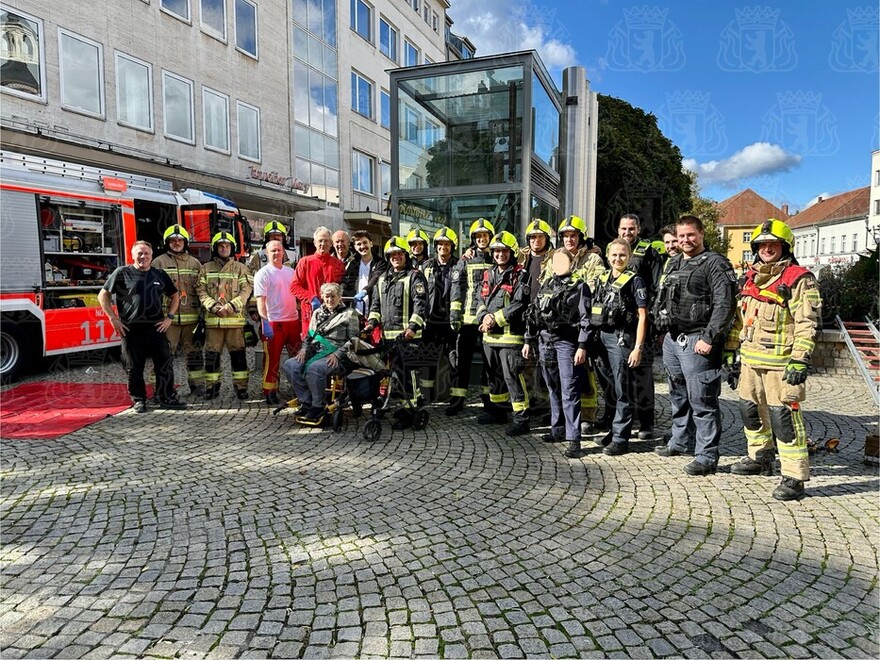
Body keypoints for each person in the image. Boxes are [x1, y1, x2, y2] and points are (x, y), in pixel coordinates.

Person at [729, 219, 821, 501]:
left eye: (773, 244)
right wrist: (731, 350)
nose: (767, 249)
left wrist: (800, 359)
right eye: (762, 245)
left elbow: (807, 322)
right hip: (750, 361)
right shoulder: (749, 279)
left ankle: (794, 476)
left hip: (781, 364)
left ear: (784, 247)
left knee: (784, 419)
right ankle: (760, 457)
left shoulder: (798, 279)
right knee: (750, 411)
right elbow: (739, 320)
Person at [653, 215, 737, 476]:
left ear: (701, 234)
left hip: (698, 339)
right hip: (673, 339)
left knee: (702, 399)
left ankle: (707, 456)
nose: (685, 240)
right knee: (677, 395)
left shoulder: (715, 263)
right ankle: (680, 441)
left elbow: (725, 304)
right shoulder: (674, 262)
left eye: (691, 235)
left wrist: (709, 337)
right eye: (681, 236)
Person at [98, 241, 186, 412]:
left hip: (156, 327)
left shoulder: (159, 274)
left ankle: (166, 396)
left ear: (151, 255)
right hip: (131, 329)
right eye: (139, 253)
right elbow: (103, 295)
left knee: (164, 364)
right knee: (133, 367)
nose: (143, 257)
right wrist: (113, 319)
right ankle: (139, 400)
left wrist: (169, 317)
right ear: (132, 255)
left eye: (146, 253)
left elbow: (175, 296)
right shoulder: (122, 273)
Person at [524, 249, 590, 457]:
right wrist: (528, 340)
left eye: (564, 261)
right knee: (552, 386)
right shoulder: (547, 285)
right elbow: (533, 314)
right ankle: (557, 429)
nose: (559, 265)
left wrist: (582, 346)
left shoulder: (580, 286)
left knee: (570, 389)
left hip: (567, 342)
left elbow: (586, 319)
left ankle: (573, 439)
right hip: (545, 341)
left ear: (572, 263)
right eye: (555, 261)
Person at [589, 239, 649, 456]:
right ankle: (613, 431)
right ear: (607, 256)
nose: (618, 259)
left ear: (630, 256)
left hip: (622, 339)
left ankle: (621, 438)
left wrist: (638, 348)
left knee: (623, 389)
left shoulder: (635, 281)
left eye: (622, 255)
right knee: (609, 388)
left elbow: (643, 316)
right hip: (602, 338)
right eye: (614, 255)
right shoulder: (603, 278)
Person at [476, 231, 532, 436]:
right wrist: (483, 317)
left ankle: (522, 419)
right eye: (496, 250)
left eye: (504, 251)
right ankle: (497, 412)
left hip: (510, 337)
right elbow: (479, 299)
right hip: (489, 337)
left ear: (512, 252)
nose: (500, 254)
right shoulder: (488, 273)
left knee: (513, 378)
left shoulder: (521, 274)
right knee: (494, 376)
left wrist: (494, 319)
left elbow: (519, 303)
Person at [282, 282, 361, 422]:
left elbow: (354, 340)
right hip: (314, 350)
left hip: (337, 353)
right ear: (322, 297)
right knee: (290, 365)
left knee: (315, 368)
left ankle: (317, 406)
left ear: (340, 297)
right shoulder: (317, 313)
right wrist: (303, 350)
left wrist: (337, 354)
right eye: (326, 296)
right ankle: (306, 401)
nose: (330, 300)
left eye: (333, 296)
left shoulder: (349, 314)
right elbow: (309, 336)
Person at [556, 215, 605, 434]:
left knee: (585, 371)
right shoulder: (557, 257)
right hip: (562, 324)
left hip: (584, 324)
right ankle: (563, 416)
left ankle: (588, 415)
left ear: (581, 237)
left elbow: (593, 288)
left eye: (573, 235)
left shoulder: (593, 260)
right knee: (564, 376)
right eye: (565, 236)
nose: (569, 240)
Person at [618, 212, 663, 439]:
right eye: (624, 229)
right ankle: (622, 417)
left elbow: (656, 287)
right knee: (619, 372)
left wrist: (652, 321)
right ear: (618, 230)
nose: (627, 233)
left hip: (642, 319)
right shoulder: (615, 250)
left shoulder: (649, 253)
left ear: (638, 230)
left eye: (631, 229)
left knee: (642, 374)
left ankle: (646, 423)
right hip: (619, 323)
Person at [447, 218, 496, 416]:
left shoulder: (498, 257)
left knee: (488, 362)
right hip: (468, 319)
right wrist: (454, 315)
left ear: (490, 238)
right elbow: (457, 289)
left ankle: (489, 400)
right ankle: (458, 399)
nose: (482, 239)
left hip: (489, 320)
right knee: (462, 361)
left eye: (485, 235)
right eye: (478, 236)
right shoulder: (464, 260)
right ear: (473, 239)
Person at [197, 231, 254, 400]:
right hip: (213, 322)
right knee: (212, 357)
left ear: (232, 248)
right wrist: (212, 306)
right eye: (221, 246)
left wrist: (231, 306)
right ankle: (212, 387)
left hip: (235, 323)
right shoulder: (205, 268)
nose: (224, 248)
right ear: (215, 248)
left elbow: (246, 291)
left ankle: (241, 388)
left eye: (227, 246)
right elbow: (200, 291)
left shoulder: (241, 268)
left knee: (239, 357)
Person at [151, 224, 204, 396]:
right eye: (173, 241)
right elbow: (152, 292)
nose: (176, 243)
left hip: (192, 318)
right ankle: (161, 388)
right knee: (164, 355)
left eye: (180, 240)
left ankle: (197, 386)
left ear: (185, 242)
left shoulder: (195, 263)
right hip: (168, 319)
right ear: (167, 242)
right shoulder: (158, 262)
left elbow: (201, 290)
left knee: (194, 354)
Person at [253, 240, 302, 406]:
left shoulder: (291, 272)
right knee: (272, 359)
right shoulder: (263, 273)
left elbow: (297, 295)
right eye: (273, 251)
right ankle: (270, 391)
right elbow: (261, 300)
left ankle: (298, 388)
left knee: (298, 357)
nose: (276, 253)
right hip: (274, 323)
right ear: (267, 253)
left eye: (279, 250)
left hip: (293, 321)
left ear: (283, 252)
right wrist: (265, 321)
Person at [517, 219, 555, 415]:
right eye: (532, 237)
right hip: (524, 317)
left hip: (546, 318)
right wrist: (471, 250)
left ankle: (547, 405)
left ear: (547, 239)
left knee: (546, 362)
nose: (536, 241)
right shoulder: (521, 256)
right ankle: (531, 400)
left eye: (540, 237)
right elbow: (497, 250)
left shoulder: (555, 256)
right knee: (526, 362)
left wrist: (590, 248)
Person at [419, 227, 459, 401]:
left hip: (449, 321)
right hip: (430, 321)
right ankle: (427, 396)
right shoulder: (426, 265)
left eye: (447, 244)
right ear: (435, 247)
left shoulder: (459, 265)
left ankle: (454, 397)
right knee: (428, 360)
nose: (443, 247)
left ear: (452, 246)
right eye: (440, 244)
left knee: (453, 360)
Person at [367, 236, 428, 342]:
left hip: (409, 338)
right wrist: (371, 323)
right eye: (392, 254)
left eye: (399, 253)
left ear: (406, 255)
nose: (396, 257)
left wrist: (413, 327)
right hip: (386, 339)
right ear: (388, 257)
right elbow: (375, 306)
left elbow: (421, 304)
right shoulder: (382, 279)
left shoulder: (415, 276)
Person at [290, 226, 345, 338]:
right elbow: (294, 286)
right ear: (315, 243)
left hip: (332, 315)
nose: (323, 244)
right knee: (310, 349)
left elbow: (342, 286)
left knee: (330, 348)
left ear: (331, 243)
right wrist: (311, 298)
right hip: (310, 315)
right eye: (320, 241)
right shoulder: (305, 262)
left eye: (326, 241)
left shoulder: (338, 264)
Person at [342, 230, 386, 317]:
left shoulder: (380, 262)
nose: (362, 246)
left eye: (365, 243)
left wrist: (365, 290)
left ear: (371, 243)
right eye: (359, 244)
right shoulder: (353, 264)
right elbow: (347, 283)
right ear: (355, 247)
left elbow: (376, 277)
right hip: (357, 311)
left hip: (375, 311)